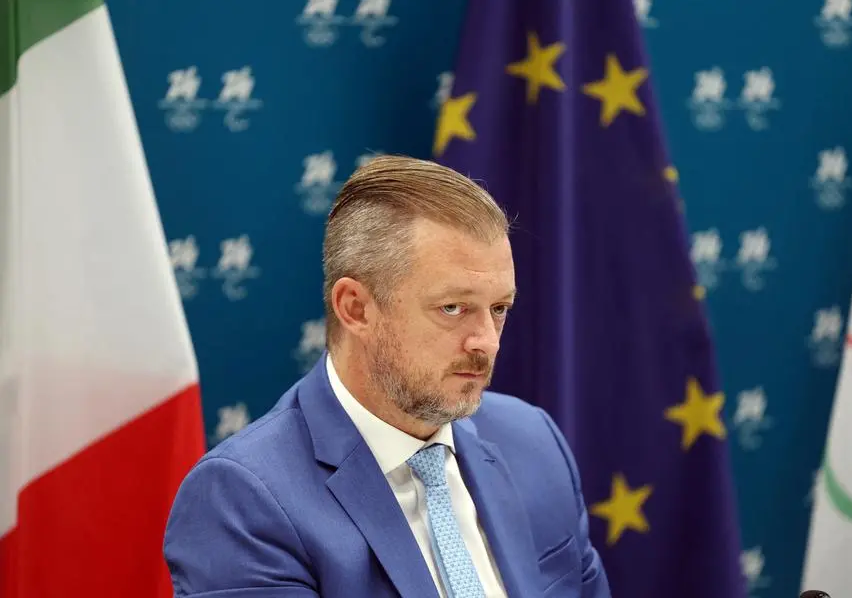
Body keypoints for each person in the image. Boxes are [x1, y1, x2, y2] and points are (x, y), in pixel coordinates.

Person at [163, 155, 612, 597]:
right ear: (355, 308)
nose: (486, 342)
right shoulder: (242, 499)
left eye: (498, 310)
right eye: (452, 308)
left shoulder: (533, 442)